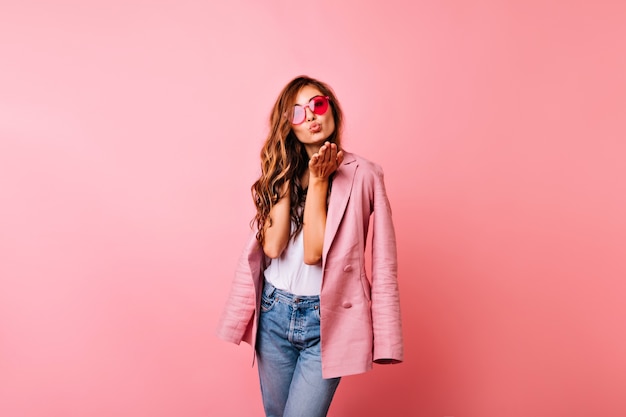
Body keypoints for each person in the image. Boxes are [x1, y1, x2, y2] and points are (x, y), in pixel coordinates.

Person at [216, 75, 403, 417]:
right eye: (297, 113)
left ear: (331, 107)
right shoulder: (281, 170)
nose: (311, 117)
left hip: (326, 320)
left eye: (317, 105)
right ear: (289, 126)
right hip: (274, 312)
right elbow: (272, 247)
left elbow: (324, 254)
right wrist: (288, 172)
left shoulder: (364, 174)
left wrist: (319, 182)